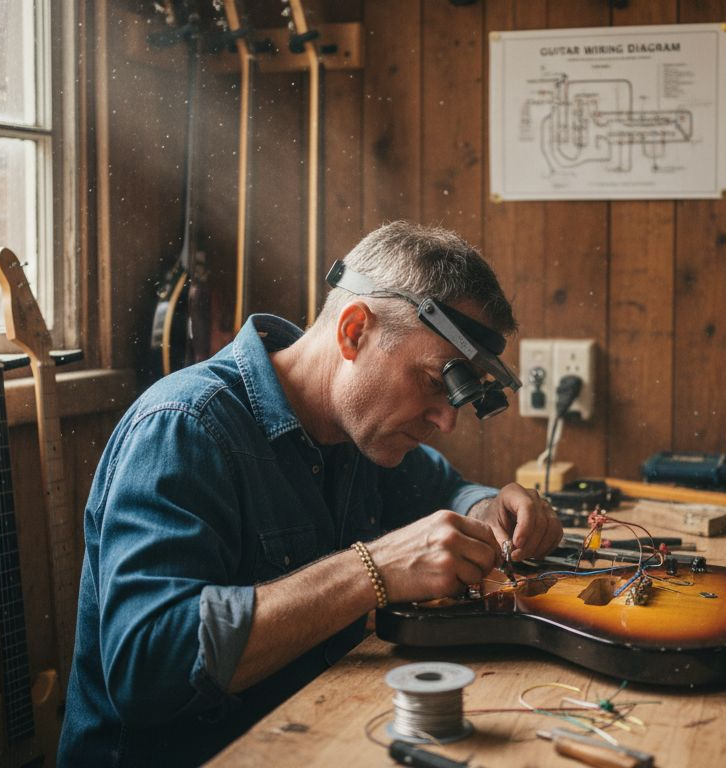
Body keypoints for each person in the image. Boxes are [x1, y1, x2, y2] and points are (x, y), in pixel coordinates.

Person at [59, 222, 563, 766]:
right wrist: (373, 570)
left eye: (459, 398)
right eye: (436, 383)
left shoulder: (361, 431)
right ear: (354, 331)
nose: (447, 421)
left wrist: (490, 508)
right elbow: (147, 667)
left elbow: (448, 490)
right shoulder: (185, 428)